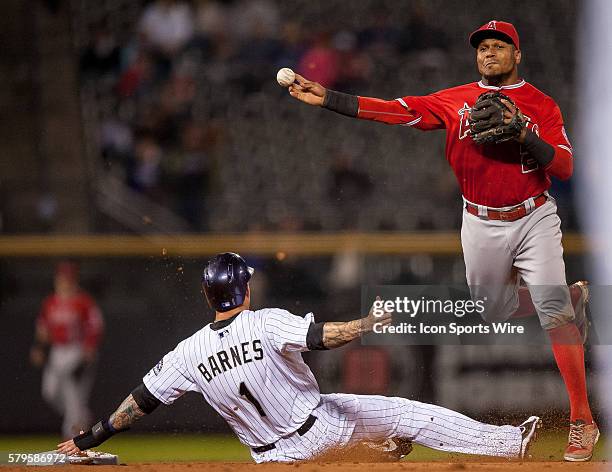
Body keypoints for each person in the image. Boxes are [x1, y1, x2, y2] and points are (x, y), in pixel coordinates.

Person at [286, 20, 597, 462]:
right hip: (479, 220)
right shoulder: (455, 101)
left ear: (517, 55)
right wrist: (329, 98)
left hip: (534, 216)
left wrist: (525, 134)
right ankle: (567, 299)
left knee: (553, 313)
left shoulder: (540, 105)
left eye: (499, 46)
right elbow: (395, 109)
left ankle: (582, 420)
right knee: (492, 309)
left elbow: (564, 168)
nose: (489, 53)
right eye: (483, 47)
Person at [57, 252, 540, 463]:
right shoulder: (264, 321)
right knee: (405, 414)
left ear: (209, 297)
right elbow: (322, 336)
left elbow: (138, 402)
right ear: (244, 286)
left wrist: (89, 437)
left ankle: (370, 455)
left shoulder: (187, 352)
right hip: (320, 429)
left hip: (270, 458)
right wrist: (366, 324)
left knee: (372, 434)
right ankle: (506, 445)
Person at [31, 261, 104, 438]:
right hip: (57, 351)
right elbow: (43, 329)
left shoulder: (83, 301)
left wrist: (89, 348)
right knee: (50, 391)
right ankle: (81, 416)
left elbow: (96, 325)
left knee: (72, 395)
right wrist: (39, 348)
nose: (64, 281)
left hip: (76, 351)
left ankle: (71, 436)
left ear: (74, 280)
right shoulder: (50, 302)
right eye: (61, 278)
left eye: (68, 278)